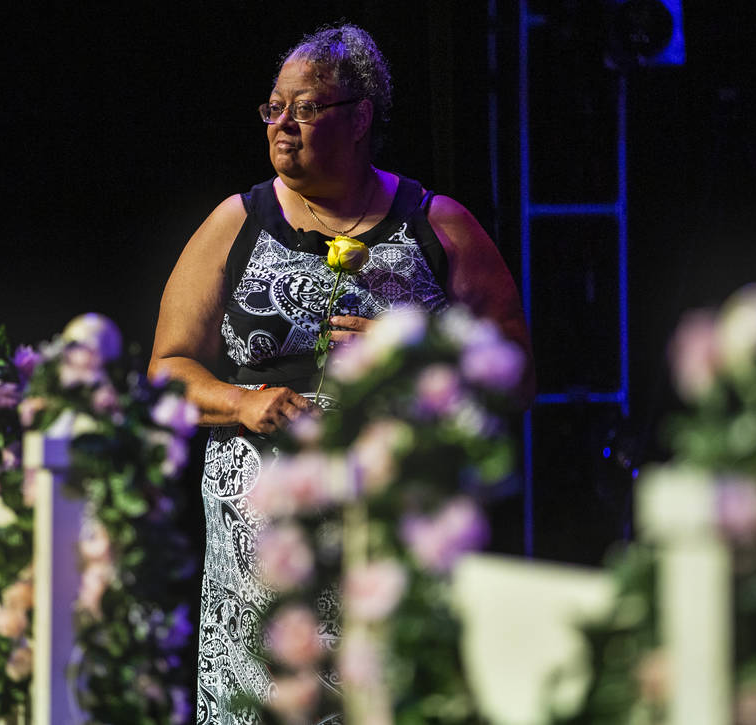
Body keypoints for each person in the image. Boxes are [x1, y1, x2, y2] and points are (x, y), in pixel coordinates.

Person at [149, 23, 533, 725]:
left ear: (359, 118)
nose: (282, 125)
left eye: (304, 108)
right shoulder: (236, 223)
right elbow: (168, 371)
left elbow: (514, 372)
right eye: (273, 108)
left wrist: (415, 355)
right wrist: (241, 401)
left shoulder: (436, 224)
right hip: (259, 566)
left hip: (391, 548)